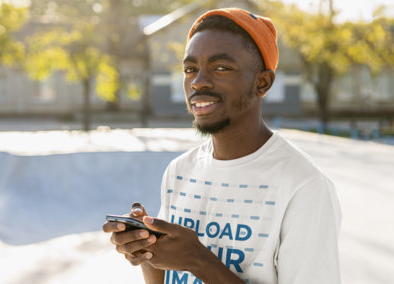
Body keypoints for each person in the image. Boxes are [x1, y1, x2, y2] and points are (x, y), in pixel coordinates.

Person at [103, 7, 341, 284]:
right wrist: (148, 250)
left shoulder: (304, 186)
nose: (198, 81)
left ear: (262, 83)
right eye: (190, 69)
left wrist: (199, 261)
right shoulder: (179, 170)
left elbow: (193, 260)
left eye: (221, 68)